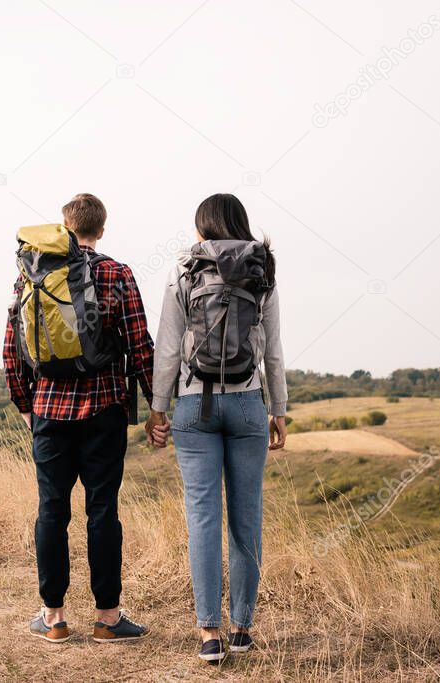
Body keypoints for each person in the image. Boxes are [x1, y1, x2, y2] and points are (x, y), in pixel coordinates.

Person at [3, 193, 162, 644]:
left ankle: (53, 618)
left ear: (64, 226)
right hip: (104, 411)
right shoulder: (117, 273)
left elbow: (12, 347)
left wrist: (25, 404)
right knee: (102, 512)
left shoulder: (33, 272)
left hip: (49, 411)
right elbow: (140, 346)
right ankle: (108, 618)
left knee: (51, 510)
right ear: (101, 229)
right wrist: (156, 406)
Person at [148, 193, 287, 663]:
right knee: (246, 518)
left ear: (202, 226)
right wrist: (280, 409)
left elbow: (167, 347)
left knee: (203, 518)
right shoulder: (262, 268)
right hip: (249, 404)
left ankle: (209, 632)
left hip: (193, 406)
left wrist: (158, 407)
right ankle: (242, 628)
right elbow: (274, 351)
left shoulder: (183, 269)